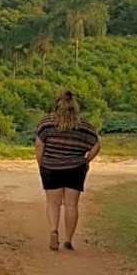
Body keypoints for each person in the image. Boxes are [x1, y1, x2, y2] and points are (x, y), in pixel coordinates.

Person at [34, 91, 101, 251]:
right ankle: (68, 240)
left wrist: (41, 164)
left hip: (51, 167)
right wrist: (86, 160)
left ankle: (54, 231)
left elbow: (38, 145)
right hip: (75, 168)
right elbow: (97, 145)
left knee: (53, 203)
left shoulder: (46, 124)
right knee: (71, 205)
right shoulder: (85, 126)